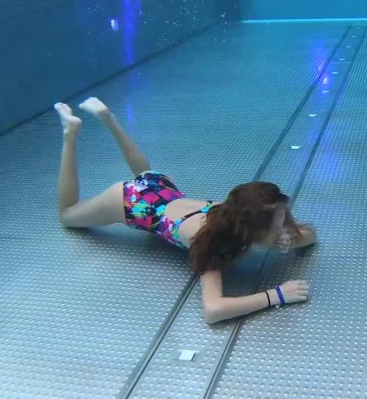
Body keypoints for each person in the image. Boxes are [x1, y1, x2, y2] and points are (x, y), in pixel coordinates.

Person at [53, 97, 317, 324]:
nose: (284, 228)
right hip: (133, 202)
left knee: (143, 172)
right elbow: (213, 310)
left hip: (160, 187)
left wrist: (283, 240)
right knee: (68, 214)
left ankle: (109, 118)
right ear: (253, 231)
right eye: (277, 226)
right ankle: (70, 134)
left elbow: (311, 235)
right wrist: (276, 295)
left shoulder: (236, 212)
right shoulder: (212, 241)